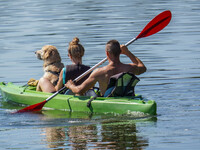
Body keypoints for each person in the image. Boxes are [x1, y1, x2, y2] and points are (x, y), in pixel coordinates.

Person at [65, 39, 147, 96]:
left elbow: (79, 90)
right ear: (120, 52)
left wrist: (71, 85)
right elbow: (143, 67)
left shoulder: (100, 72)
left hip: (108, 100)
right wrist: (128, 52)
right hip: (127, 98)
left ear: (107, 53)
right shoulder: (130, 68)